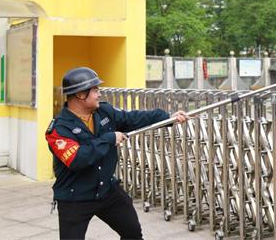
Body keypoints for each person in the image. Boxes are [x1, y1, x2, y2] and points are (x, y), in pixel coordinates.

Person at [46, 67, 189, 240]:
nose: (99, 95)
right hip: (75, 197)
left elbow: (132, 119)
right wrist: (109, 139)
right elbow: (78, 158)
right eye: (95, 90)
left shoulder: (103, 112)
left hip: (107, 190)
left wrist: (167, 117)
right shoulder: (59, 129)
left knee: (133, 234)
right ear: (80, 94)